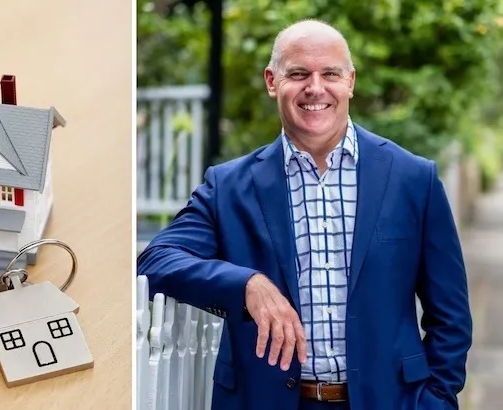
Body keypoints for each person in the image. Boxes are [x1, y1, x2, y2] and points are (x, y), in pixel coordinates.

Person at [137, 19, 472, 410]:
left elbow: (450, 316)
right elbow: (156, 260)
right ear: (271, 81)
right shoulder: (228, 186)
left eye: (329, 73)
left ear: (350, 81)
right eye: (298, 74)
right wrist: (247, 285)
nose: (315, 88)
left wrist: (436, 401)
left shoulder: (414, 178)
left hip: (392, 401)